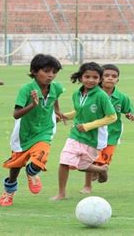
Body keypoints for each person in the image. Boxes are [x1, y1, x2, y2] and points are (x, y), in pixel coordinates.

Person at [0, 54, 63, 206]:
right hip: (24, 133)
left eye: (54, 72)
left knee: (41, 155)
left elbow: (55, 97)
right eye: (46, 71)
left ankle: (32, 172)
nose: (51, 75)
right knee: (15, 166)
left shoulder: (57, 87)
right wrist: (32, 105)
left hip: (45, 130)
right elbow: (16, 114)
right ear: (34, 71)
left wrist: (58, 111)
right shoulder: (26, 89)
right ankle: (9, 191)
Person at [51, 62, 117, 201]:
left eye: (95, 77)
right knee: (64, 161)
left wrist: (88, 126)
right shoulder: (76, 94)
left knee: (82, 166)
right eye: (87, 76)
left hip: (93, 138)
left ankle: (101, 169)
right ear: (81, 78)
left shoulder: (101, 96)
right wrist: (64, 116)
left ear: (100, 79)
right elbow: (79, 112)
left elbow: (112, 117)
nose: (91, 80)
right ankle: (61, 193)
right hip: (75, 134)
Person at [80, 64, 134, 194]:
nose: (110, 78)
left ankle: (101, 172)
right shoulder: (93, 94)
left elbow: (130, 111)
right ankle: (87, 185)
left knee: (102, 161)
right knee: (90, 160)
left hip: (112, 135)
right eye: (106, 75)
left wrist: (131, 115)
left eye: (114, 76)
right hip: (94, 132)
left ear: (117, 80)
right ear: (100, 78)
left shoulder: (122, 97)